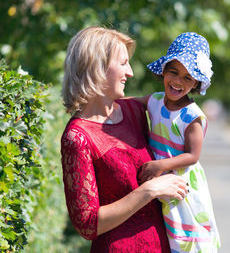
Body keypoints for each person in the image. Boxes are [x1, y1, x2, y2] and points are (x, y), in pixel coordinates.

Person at [60, 26, 188, 252]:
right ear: (97, 66)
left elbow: (178, 106)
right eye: (123, 63)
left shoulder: (134, 111)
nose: (130, 72)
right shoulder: (77, 137)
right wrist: (150, 190)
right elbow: (87, 224)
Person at [135, 32, 221, 252]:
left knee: (183, 237)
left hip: (182, 181)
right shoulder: (154, 101)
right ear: (163, 71)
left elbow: (193, 156)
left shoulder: (191, 116)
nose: (177, 81)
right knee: (161, 232)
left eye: (187, 78)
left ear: (195, 84)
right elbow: (129, 104)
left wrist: (161, 165)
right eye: (173, 72)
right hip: (159, 177)